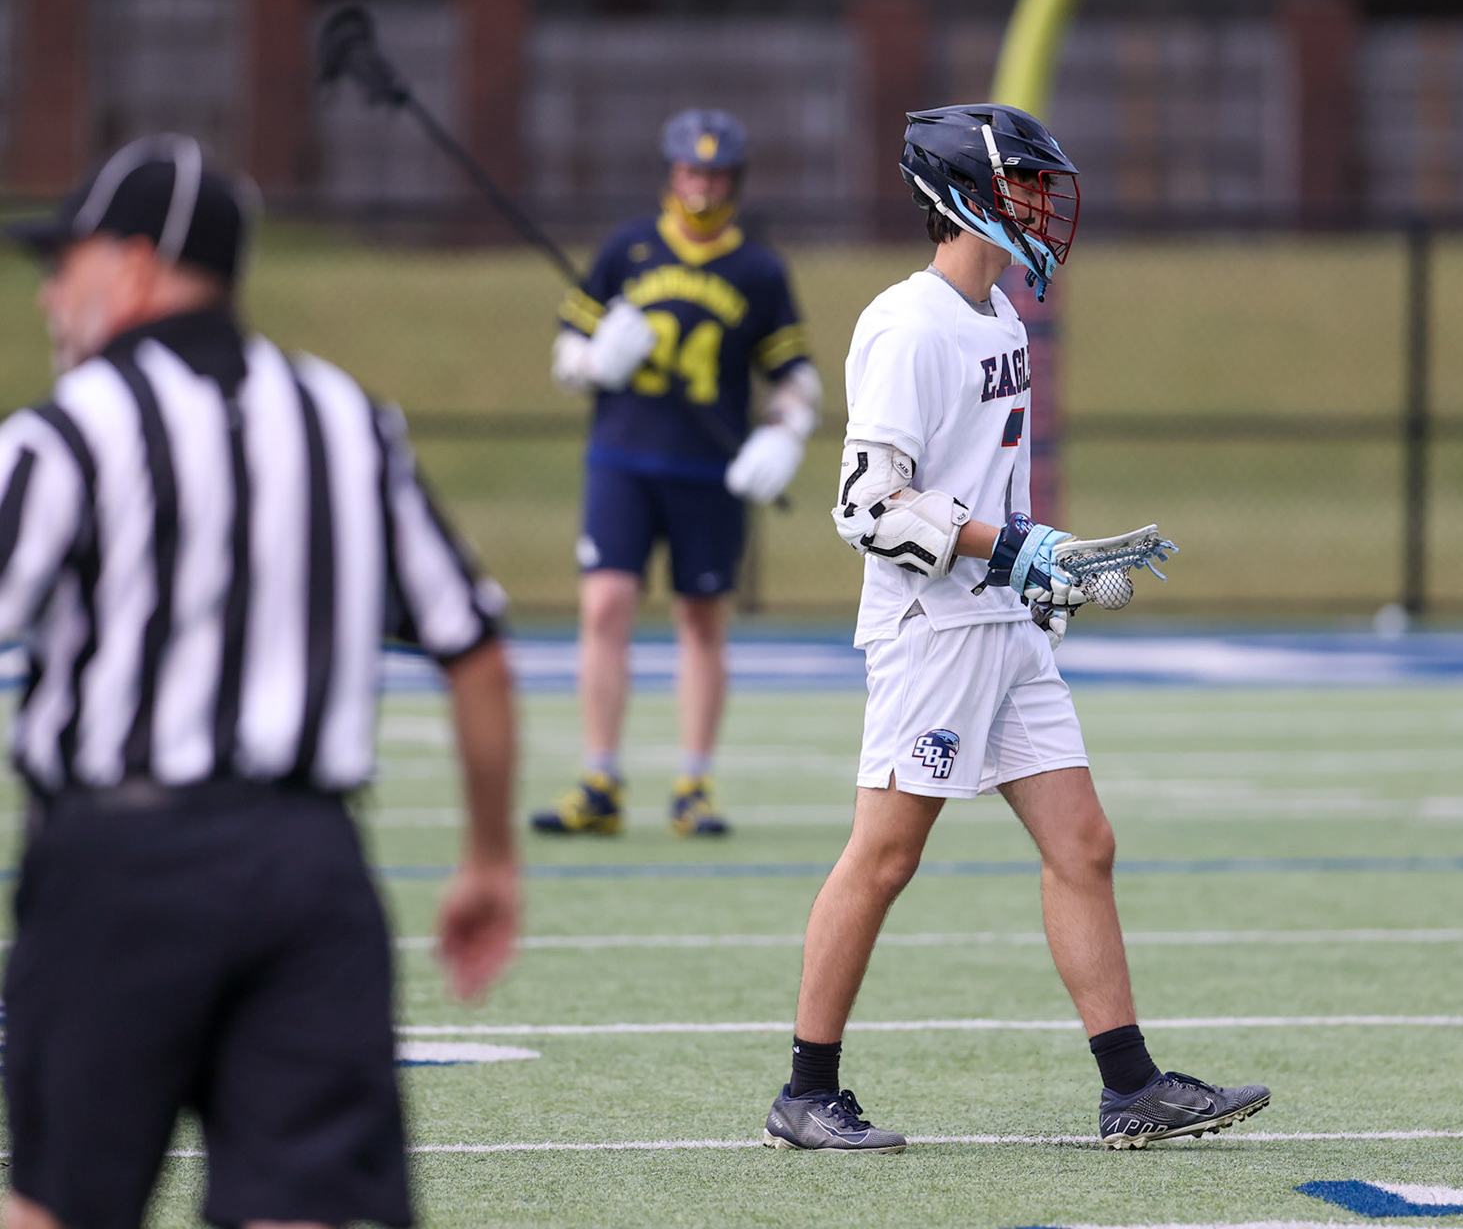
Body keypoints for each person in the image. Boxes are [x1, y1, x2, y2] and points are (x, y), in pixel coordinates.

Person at [0, 134, 521, 1229]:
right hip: (307, 867)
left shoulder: (65, 436)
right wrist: (487, 856)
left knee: (59, 1200)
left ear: (135, 263)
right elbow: (471, 645)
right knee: (301, 1209)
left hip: (117, 862)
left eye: (68, 260)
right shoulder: (344, 419)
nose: (50, 294)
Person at [762, 104, 1268, 1153]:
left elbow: (982, 489)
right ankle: (805, 1090)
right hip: (931, 631)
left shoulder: (997, 316)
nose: (1044, 202)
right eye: (1028, 185)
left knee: (1084, 842)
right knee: (886, 854)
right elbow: (866, 507)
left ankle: (1129, 1085)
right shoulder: (911, 323)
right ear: (967, 196)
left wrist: (1051, 560)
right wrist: (1007, 549)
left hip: (1002, 624)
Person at [533, 108, 820, 838]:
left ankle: (693, 782)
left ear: (736, 181)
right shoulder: (627, 247)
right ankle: (600, 776)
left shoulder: (758, 269)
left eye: (717, 173)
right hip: (623, 459)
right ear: (671, 172)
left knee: (701, 621)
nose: (702, 185)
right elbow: (567, 348)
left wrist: (783, 435)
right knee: (605, 608)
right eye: (692, 170)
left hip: (708, 472)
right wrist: (595, 361)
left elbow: (795, 374)